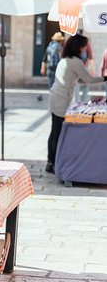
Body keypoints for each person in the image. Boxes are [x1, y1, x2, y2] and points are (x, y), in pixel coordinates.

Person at [46, 34, 106, 174]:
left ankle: (51, 161)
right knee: (57, 132)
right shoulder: (75, 62)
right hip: (61, 99)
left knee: (54, 130)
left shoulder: (66, 59)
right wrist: (105, 77)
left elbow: (77, 80)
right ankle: (54, 163)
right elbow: (89, 80)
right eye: (84, 47)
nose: (85, 50)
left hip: (56, 96)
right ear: (79, 47)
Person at [74, 31, 94, 103]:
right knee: (86, 85)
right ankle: (83, 102)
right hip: (84, 68)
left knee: (76, 85)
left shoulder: (73, 44)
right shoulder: (86, 43)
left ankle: (76, 103)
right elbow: (90, 57)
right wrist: (92, 69)